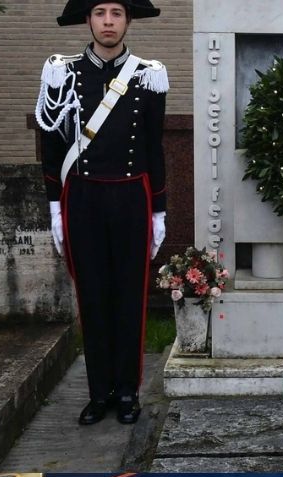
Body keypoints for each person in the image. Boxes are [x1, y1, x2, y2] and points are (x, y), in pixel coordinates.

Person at [35, 0, 168, 425]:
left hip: (132, 196)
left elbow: (154, 146)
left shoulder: (149, 74)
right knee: (92, 296)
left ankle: (128, 392)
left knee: (130, 295)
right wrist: (56, 207)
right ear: (88, 20)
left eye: (116, 12)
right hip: (84, 198)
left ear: (128, 20)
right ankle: (99, 393)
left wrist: (159, 211)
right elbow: (53, 145)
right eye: (99, 13)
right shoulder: (63, 71)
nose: (108, 21)